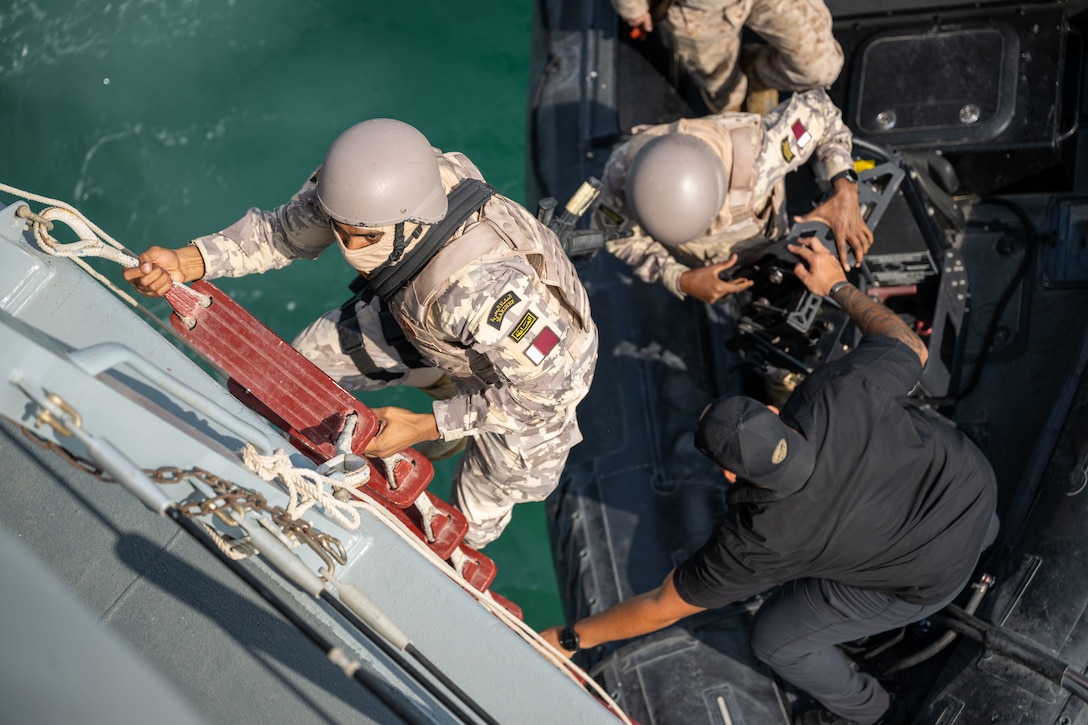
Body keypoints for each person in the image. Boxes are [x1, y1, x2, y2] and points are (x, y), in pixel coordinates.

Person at [540, 235, 998, 725]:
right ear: (775, 413)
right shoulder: (837, 392)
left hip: (930, 577)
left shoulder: (757, 541)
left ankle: (872, 711)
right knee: (956, 510)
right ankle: (990, 537)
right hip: (975, 490)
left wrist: (570, 639)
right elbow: (910, 346)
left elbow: (661, 605)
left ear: (728, 472)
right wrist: (836, 285)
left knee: (777, 641)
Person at [124, 118, 599, 550]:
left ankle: (449, 436)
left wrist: (428, 425)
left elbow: (553, 392)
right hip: (425, 316)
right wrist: (187, 260)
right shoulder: (369, 188)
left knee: (473, 523)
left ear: (413, 219)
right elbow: (281, 233)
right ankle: (435, 382)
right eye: (340, 230)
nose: (349, 248)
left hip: (533, 381)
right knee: (303, 373)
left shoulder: (486, 292)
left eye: (365, 237)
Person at [598, 88, 873, 304]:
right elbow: (617, 237)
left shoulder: (761, 154)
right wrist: (681, 278)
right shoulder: (620, 174)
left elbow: (822, 110)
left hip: (768, 234)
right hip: (706, 266)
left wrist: (845, 185)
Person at [612, 0, 843, 114]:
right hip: (697, 10)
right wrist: (633, 8)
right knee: (725, 93)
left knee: (820, 67)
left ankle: (756, 72)